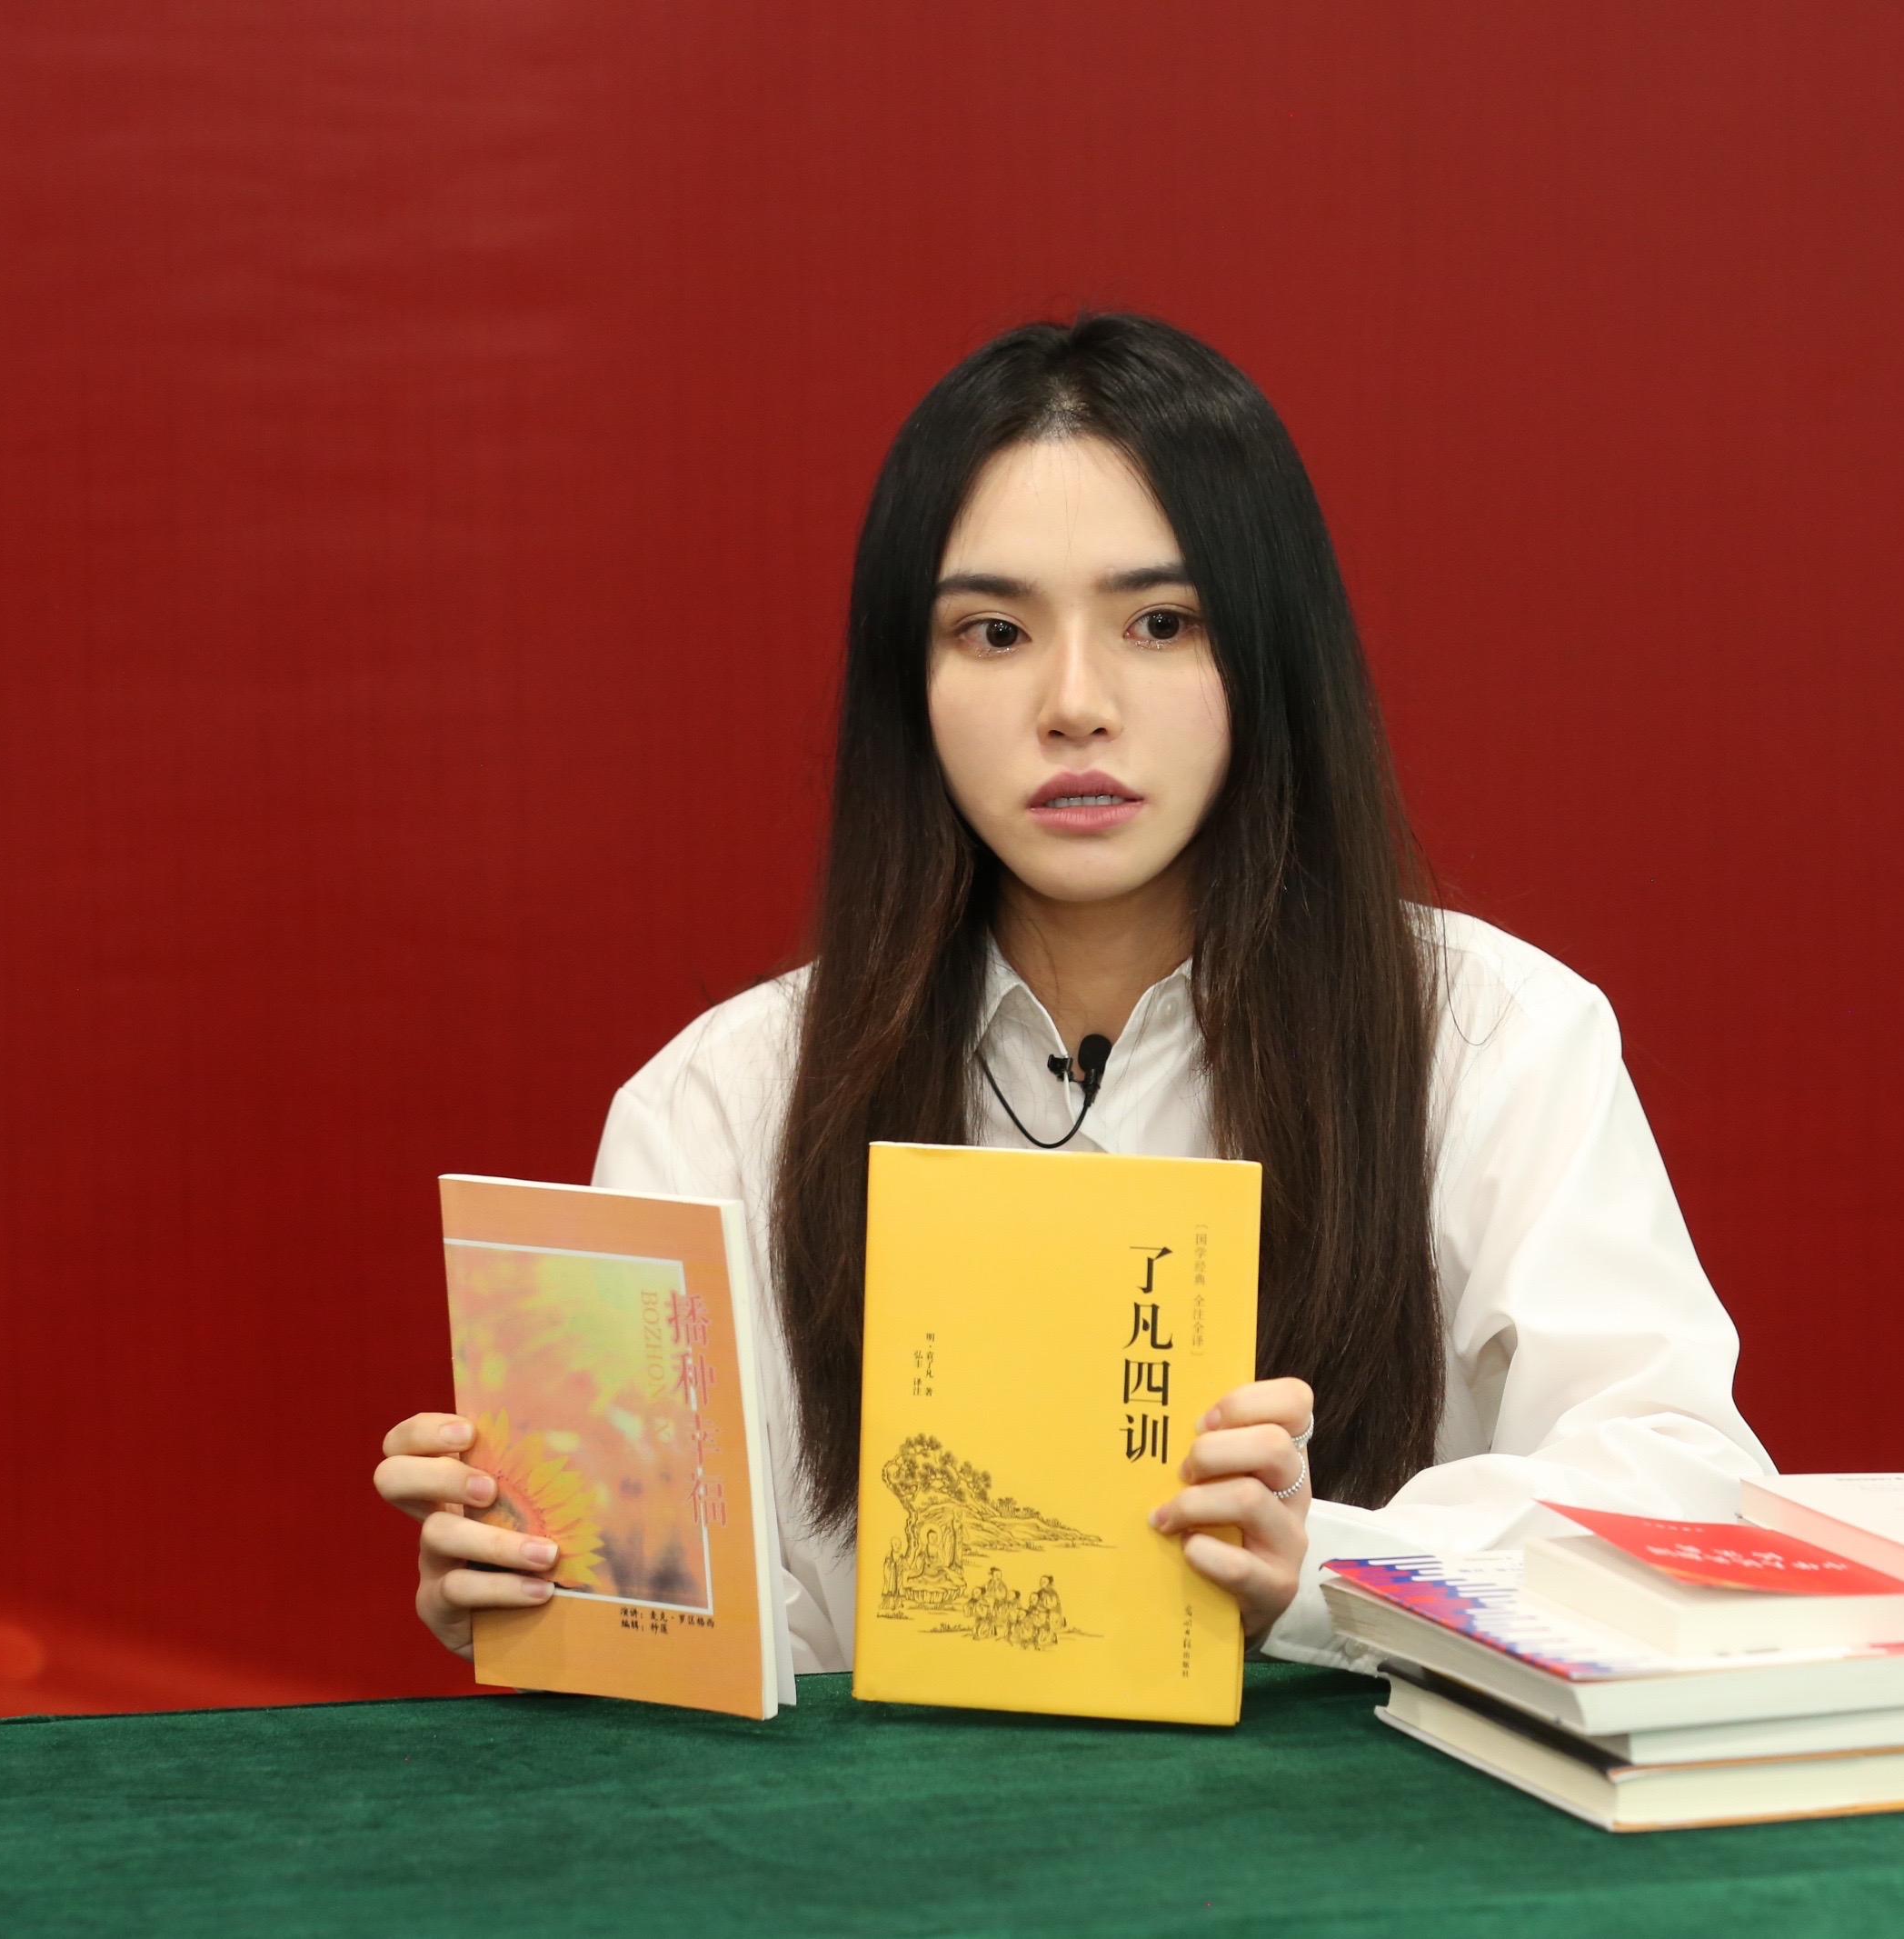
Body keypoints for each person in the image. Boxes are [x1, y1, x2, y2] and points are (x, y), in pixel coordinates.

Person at [376, 315, 1771, 1677]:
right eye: (994, 632)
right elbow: (728, 1651)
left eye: (1161, 621)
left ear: (1272, 656)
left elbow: (1677, 1484)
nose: (1076, 703)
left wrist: (1325, 1565)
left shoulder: (1495, 1036)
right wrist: (560, 1588)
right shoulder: (720, 1102)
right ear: (908, 681)